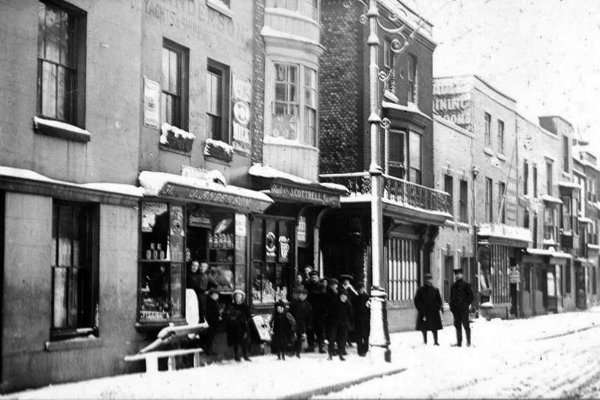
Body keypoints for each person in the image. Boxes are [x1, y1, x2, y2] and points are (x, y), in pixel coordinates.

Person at [414, 273, 443, 346]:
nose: (429, 281)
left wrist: (437, 307)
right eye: (427, 279)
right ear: (425, 280)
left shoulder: (435, 290)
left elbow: (439, 300)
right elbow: (417, 300)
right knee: (424, 327)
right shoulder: (420, 290)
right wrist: (420, 309)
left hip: (433, 311)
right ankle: (425, 341)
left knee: (435, 327)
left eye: (430, 279)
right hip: (424, 311)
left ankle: (436, 341)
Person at [326, 288, 354, 361]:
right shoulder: (335, 303)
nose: (344, 297)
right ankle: (330, 354)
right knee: (332, 339)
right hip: (334, 324)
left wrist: (349, 324)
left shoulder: (348, 305)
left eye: (345, 296)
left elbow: (350, 315)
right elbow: (330, 313)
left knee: (342, 340)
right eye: (342, 296)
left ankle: (340, 354)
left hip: (344, 324)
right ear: (339, 296)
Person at [450, 267, 474, 347]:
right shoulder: (453, 286)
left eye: (459, 274)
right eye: (456, 274)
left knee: (466, 326)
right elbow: (451, 297)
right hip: (456, 310)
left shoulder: (466, 285)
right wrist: (452, 307)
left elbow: (471, 296)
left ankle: (468, 342)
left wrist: (466, 304)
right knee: (457, 326)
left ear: (462, 275)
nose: (457, 276)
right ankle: (459, 342)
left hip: (463, 309)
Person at [225, 289, 252, 361]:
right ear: (234, 297)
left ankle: (245, 355)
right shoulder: (231, 306)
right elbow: (228, 315)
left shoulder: (245, 306)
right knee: (235, 341)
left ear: (242, 298)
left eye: (239, 296)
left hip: (243, 326)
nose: (238, 298)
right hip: (234, 326)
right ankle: (236, 356)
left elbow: (248, 316)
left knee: (244, 341)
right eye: (236, 296)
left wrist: (246, 320)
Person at [289, 287, 312, 358]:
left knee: (300, 337)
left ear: (305, 296)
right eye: (299, 294)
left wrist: (309, 324)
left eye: (301, 295)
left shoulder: (308, 304)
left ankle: (298, 352)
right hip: (294, 322)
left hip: (302, 323)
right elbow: (290, 313)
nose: (299, 296)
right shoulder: (294, 303)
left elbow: (309, 315)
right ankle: (293, 350)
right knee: (293, 337)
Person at [307, 276, 327, 353]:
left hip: (319, 311)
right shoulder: (308, 285)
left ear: (318, 278)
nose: (313, 279)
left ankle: (321, 347)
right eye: (312, 277)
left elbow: (323, 295)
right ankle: (311, 346)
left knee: (320, 330)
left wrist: (314, 293)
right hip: (310, 310)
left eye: (315, 277)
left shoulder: (321, 286)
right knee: (310, 329)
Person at [352, 284, 370, 356]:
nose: (360, 290)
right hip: (358, 320)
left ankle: (365, 349)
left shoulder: (368, 298)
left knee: (366, 336)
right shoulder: (355, 298)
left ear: (364, 289)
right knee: (358, 336)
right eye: (359, 289)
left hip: (366, 320)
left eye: (362, 288)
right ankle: (360, 350)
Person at [204, 288, 222, 356]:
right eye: (216, 295)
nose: (217, 296)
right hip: (211, 322)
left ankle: (209, 350)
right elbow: (212, 313)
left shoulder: (211, 301)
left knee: (210, 337)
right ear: (212, 295)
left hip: (212, 321)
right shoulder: (211, 302)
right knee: (210, 337)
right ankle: (209, 351)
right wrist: (218, 316)